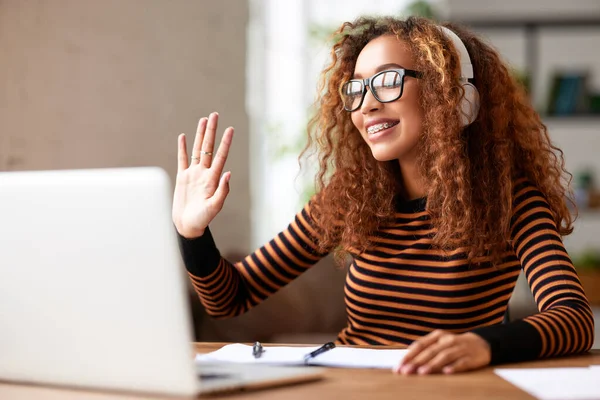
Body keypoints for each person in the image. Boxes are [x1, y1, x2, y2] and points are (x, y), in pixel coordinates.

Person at [172, 16, 595, 374]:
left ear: (453, 95)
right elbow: (231, 298)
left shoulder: (508, 200)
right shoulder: (349, 197)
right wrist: (193, 234)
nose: (366, 105)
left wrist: (485, 344)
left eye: (388, 81)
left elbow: (574, 318)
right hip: (353, 385)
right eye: (356, 89)